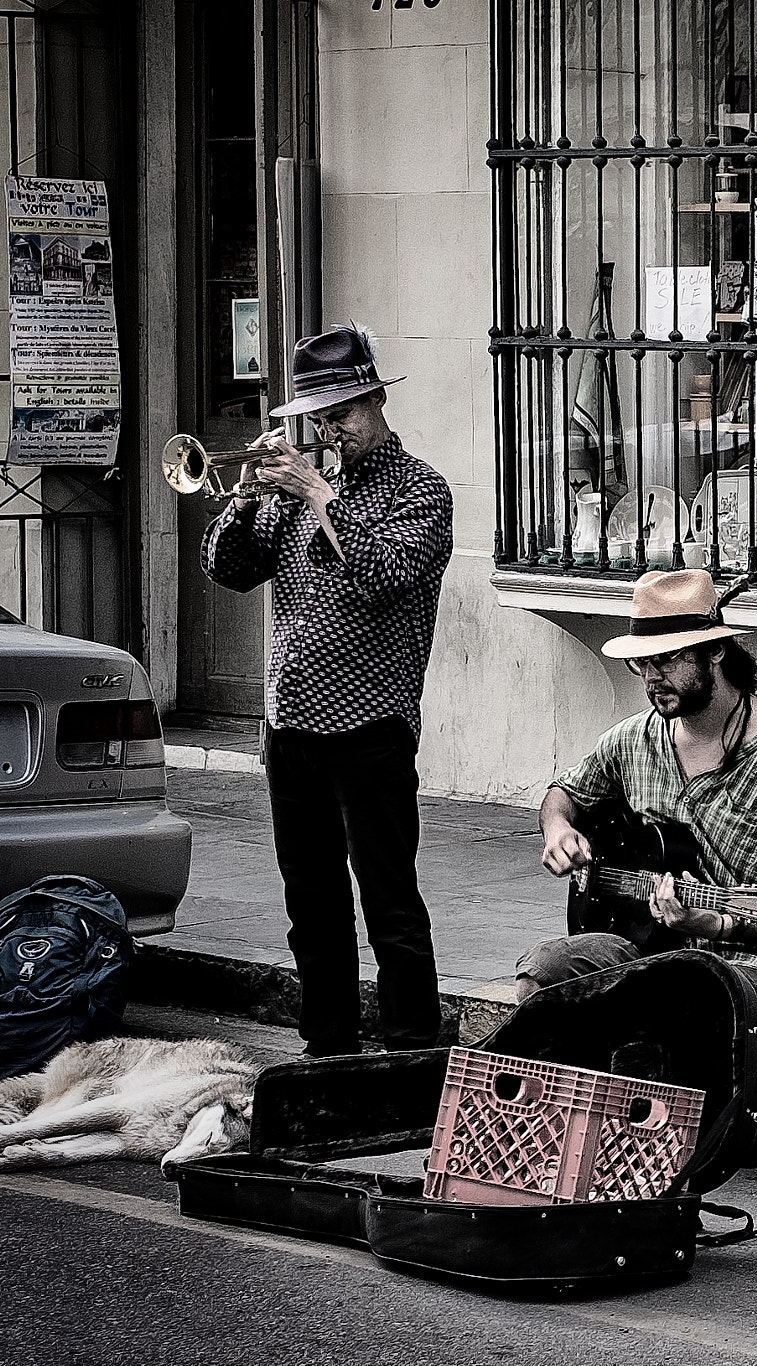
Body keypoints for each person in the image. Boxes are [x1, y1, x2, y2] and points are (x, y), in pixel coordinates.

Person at [202, 324, 454, 1056]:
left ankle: (411, 1050)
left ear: (376, 401)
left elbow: (383, 576)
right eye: (319, 418)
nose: (328, 430)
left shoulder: (422, 491)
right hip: (292, 727)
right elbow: (231, 571)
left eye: (341, 414)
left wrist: (316, 492)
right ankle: (328, 1048)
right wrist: (246, 500)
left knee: (390, 903)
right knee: (311, 904)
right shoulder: (291, 495)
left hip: (371, 725)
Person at [518, 569, 757, 1047]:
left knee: (687, 999)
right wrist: (556, 829)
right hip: (652, 948)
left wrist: (711, 922)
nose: (653, 679)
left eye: (668, 660)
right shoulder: (634, 739)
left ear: (715, 650)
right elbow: (564, 794)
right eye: (642, 665)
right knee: (545, 972)